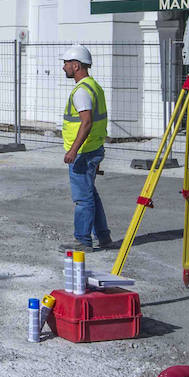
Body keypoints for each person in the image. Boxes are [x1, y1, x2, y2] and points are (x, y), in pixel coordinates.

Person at [61, 44, 113, 253]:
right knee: (91, 195)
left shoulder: (81, 91)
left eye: (66, 63)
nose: (63, 67)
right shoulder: (94, 86)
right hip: (94, 148)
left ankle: (83, 240)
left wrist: (73, 150)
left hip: (83, 152)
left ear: (76, 65)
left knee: (83, 198)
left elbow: (87, 122)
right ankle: (103, 236)